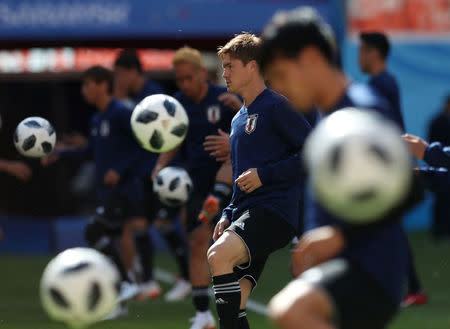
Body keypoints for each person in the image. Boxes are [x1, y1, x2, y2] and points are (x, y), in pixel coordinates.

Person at [259, 7, 422, 329]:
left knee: (291, 312)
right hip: (346, 265)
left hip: (370, 267)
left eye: (280, 74)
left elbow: (410, 186)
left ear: (310, 57)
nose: (279, 88)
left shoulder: (362, 109)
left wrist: (339, 236)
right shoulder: (327, 119)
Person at [207, 33, 311, 329]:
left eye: (230, 66)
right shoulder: (238, 119)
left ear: (252, 67)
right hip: (246, 214)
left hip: (273, 212)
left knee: (217, 255)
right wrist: (227, 214)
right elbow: (242, 175)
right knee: (236, 302)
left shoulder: (276, 106)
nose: (224, 73)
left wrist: (265, 175)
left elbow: (315, 152)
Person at [42, 66, 143, 318]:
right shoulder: (98, 119)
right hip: (105, 192)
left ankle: (127, 282)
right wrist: (60, 154)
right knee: (104, 244)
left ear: (101, 85)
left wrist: (120, 170)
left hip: (124, 190)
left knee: (93, 230)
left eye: (87, 85)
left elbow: (142, 145)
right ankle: (119, 306)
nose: (84, 91)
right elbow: (91, 153)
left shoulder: (121, 113)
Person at [151, 46, 241, 329]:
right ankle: (202, 315)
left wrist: (240, 109)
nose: (185, 85)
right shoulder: (177, 105)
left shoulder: (224, 99)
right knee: (196, 242)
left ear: (202, 73)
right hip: (195, 182)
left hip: (231, 177)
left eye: (189, 78)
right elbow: (174, 140)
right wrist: (160, 165)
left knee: (226, 164)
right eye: (180, 80)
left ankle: (217, 198)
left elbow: (251, 129)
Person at [114, 49, 191, 301]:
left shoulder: (153, 96)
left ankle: (188, 277)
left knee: (164, 222)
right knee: (142, 225)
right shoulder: (138, 97)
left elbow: (170, 132)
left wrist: (167, 165)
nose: (118, 80)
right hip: (148, 172)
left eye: (119, 74)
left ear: (130, 72)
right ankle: (148, 281)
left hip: (165, 171)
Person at [359, 31, 427, 306]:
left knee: (379, 228)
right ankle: (410, 288)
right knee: (385, 227)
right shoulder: (384, 82)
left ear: (374, 53)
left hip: (388, 168)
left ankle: (401, 288)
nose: (359, 56)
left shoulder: (380, 84)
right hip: (391, 165)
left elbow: (385, 129)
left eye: (362, 50)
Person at [426, 95, 450, 239]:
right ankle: (439, 232)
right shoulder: (437, 122)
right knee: (441, 200)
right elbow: (431, 145)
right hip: (439, 166)